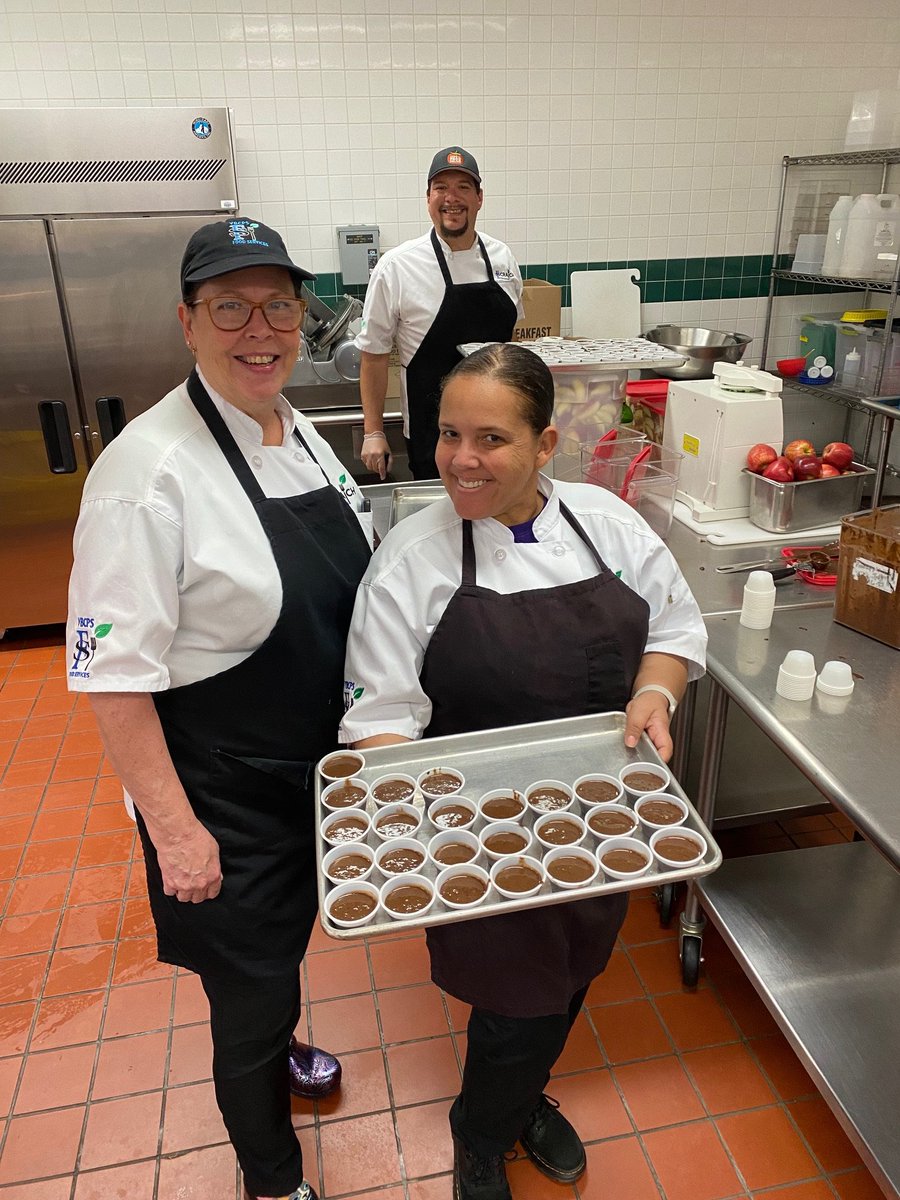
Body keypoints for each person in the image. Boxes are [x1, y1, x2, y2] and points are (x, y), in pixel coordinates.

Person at [340, 343, 707, 1200]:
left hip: (602, 817)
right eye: (447, 434)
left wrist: (656, 696)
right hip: (478, 836)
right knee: (518, 1002)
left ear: (546, 446)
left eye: (492, 439)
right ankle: (482, 1133)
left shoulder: (608, 526)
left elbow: (674, 633)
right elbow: (380, 720)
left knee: (575, 972)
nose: (462, 460)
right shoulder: (411, 559)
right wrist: (425, 831)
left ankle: (518, 1097)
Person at [66, 217, 372, 1200]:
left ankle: (280, 1043)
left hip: (306, 780)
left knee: (277, 963)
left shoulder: (296, 428)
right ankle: (273, 1181)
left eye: (280, 304)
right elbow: (115, 682)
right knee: (244, 1006)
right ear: (186, 322)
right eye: (229, 306)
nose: (260, 328)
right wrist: (177, 834)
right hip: (222, 801)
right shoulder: (145, 473)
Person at [356, 146, 524, 481]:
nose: (452, 198)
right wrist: (373, 432)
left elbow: (512, 343)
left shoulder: (502, 257)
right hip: (433, 431)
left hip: (500, 429)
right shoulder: (397, 266)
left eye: (463, 187)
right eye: (441, 188)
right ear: (428, 197)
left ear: (479, 198)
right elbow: (374, 354)